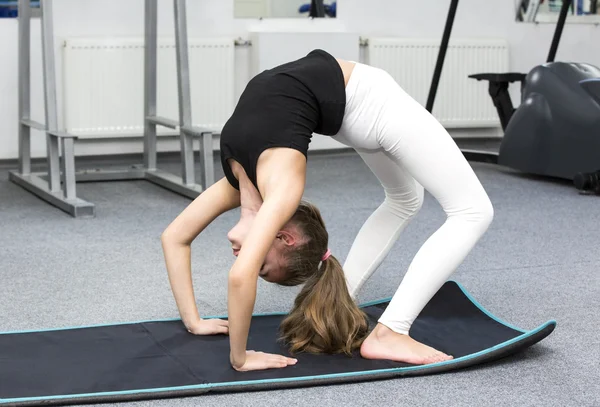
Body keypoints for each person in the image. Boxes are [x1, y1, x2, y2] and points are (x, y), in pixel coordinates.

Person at [161, 49, 494, 372]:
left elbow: (175, 237)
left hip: (354, 108)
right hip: (371, 104)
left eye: (258, 265)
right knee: (473, 211)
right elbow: (234, 274)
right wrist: (236, 355)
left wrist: (197, 323)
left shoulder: (241, 183)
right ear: (283, 237)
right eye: (263, 261)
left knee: (406, 199)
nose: (244, 259)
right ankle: (391, 331)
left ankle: (341, 300)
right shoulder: (281, 191)